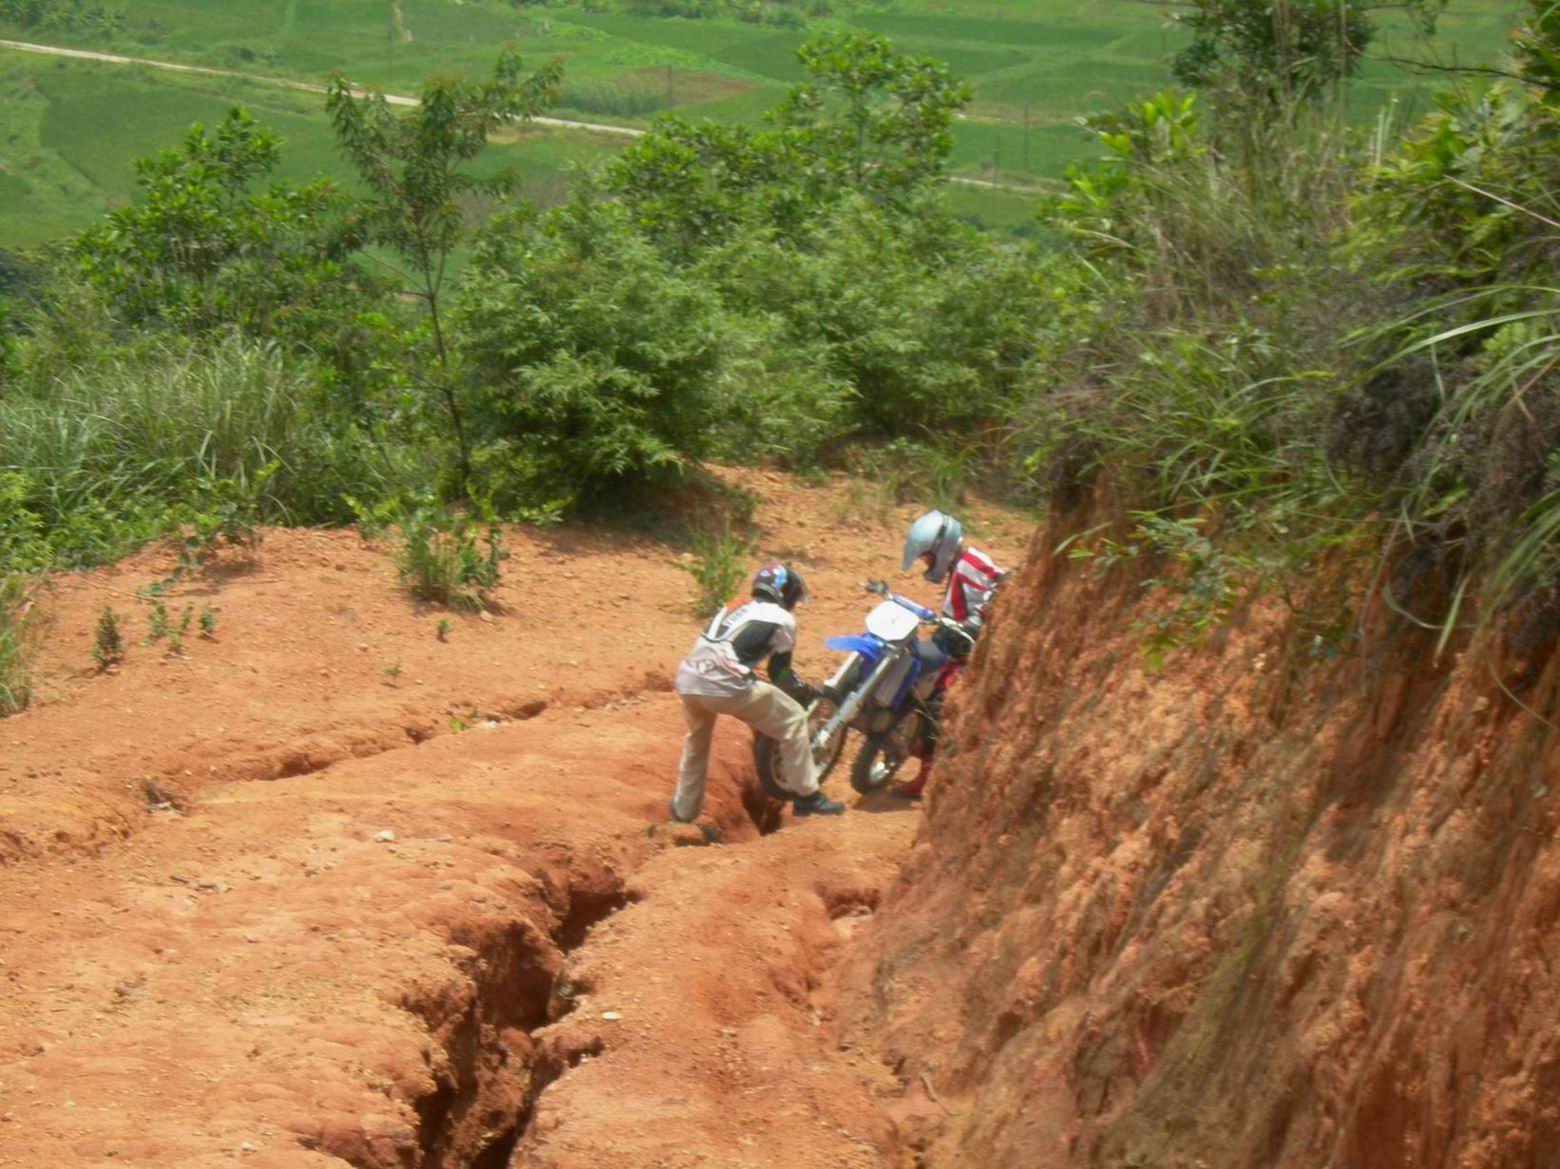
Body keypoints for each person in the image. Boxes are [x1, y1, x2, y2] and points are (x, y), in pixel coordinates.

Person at [669, 563, 846, 823]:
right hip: (724, 685)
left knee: (697, 742)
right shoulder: (783, 618)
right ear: (785, 592)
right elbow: (779, 672)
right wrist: (805, 692)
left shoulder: (732, 605)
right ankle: (807, 796)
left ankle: (683, 811)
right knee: (794, 718)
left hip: (688, 679)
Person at [892, 509, 1006, 798]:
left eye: (927, 556)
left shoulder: (971, 564)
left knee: (937, 702)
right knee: (913, 672)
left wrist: (979, 618)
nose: (926, 563)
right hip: (952, 639)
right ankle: (913, 745)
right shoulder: (960, 565)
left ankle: (927, 777)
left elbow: (1001, 582)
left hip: (968, 649)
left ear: (942, 549)